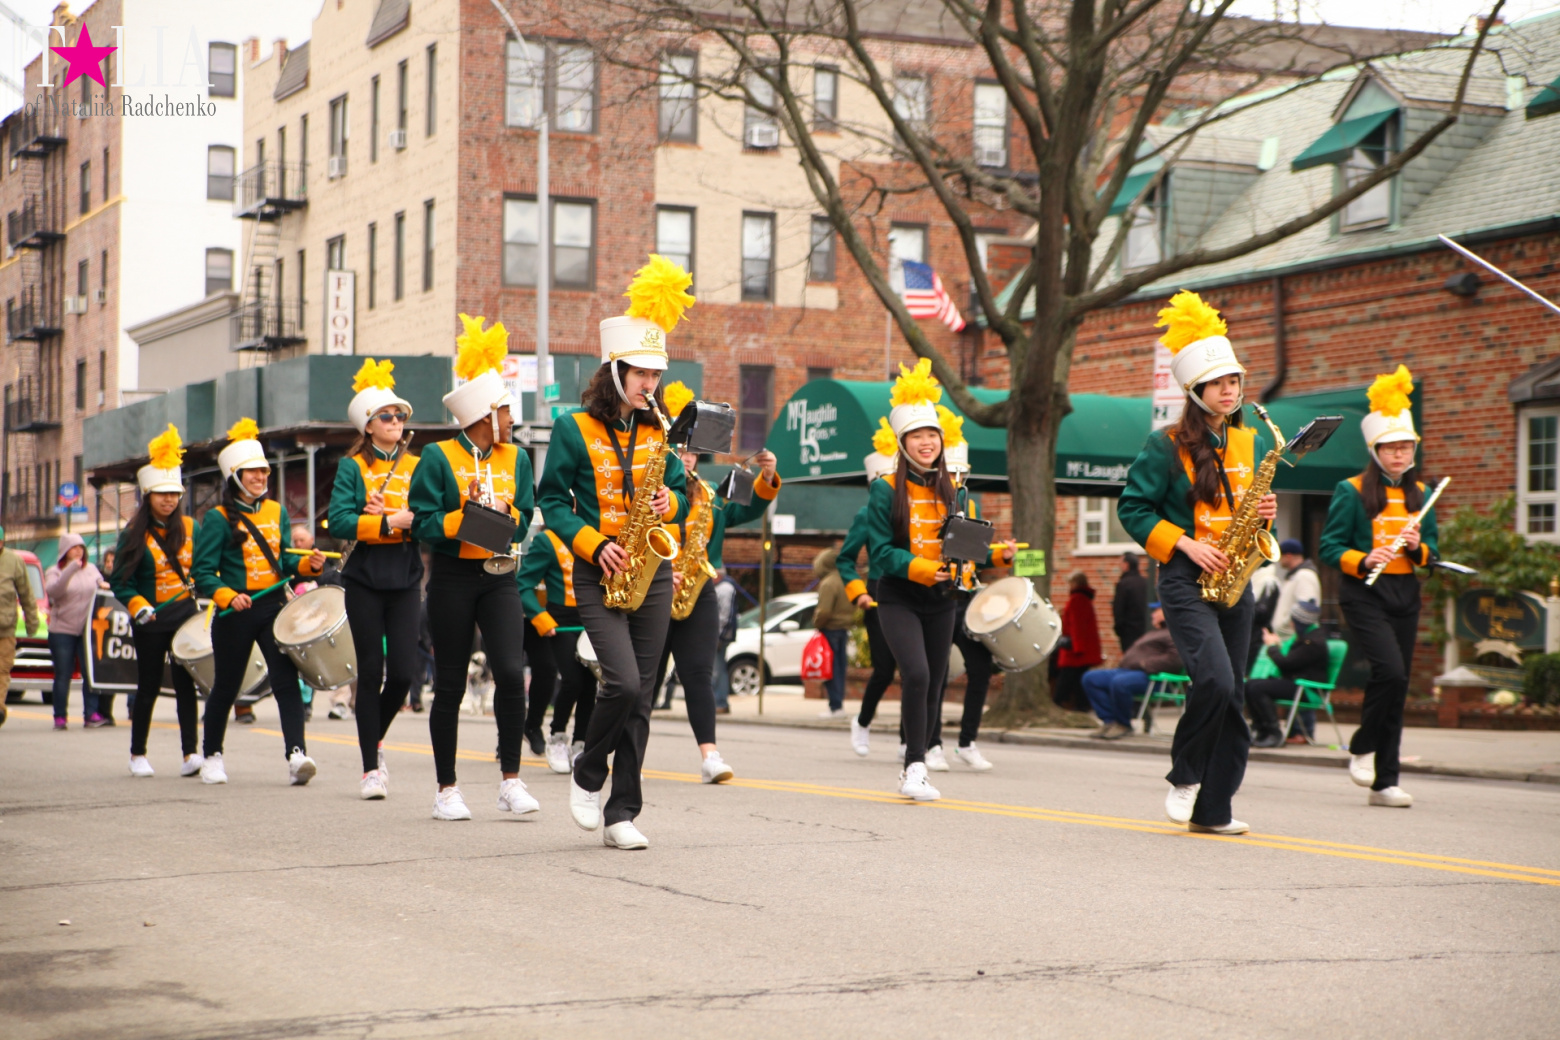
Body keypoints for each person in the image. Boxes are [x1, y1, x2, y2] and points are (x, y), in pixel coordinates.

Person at [540, 257, 692, 850]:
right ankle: (587, 771)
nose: (650, 385)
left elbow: (680, 491)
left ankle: (623, 811)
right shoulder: (572, 427)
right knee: (622, 684)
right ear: (615, 369)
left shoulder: (660, 430)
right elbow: (551, 502)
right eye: (640, 374)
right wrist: (595, 543)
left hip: (651, 570)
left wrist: (667, 501)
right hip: (598, 568)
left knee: (644, 696)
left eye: (656, 375)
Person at [1118, 291, 1277, 835]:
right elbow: (1132, 508)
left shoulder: (1249, 441)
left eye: (1235, 380)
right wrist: (1183, 544)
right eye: (1219, 384)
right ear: (1195, 391)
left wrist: (1264, 517)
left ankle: (1216, 810)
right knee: (1212, 679)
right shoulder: (1164, 445)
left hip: (1236, 577)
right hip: (1187, 577)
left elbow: (1241, 514)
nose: (1230, 390)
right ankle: (1185, 774)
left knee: (1233, 693)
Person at [407, 316, 538, 822]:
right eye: (505, 410)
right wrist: (468, 519)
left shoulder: (518, 457)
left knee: (510, 671)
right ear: (485, 414)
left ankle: (510, 779)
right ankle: (446, 790)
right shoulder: (438, 457)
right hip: (454, 578)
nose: (511, 419)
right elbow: (422, 522)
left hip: (501, 575)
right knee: (452, 683)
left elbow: (525, 517)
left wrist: (507, 520)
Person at [865, 360, 1014, 802]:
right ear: (902, 442)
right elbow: (879, 552)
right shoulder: (884, 489)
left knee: (933, 681)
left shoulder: (956, 490)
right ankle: (913, 767)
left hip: (942, 599)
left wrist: (995, 557)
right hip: (898, 596)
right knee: (915, 673)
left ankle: (920, 760)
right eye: (917, 435)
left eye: (932, 435)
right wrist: (921, 568)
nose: (927, 442)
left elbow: (963, 550)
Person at [1319, 365, 1436, 809]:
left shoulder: (1422, 494)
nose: (1400, 455)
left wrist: (1417, 546)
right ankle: (1362, 745)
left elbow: (1433, 556)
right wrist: (1364, 557)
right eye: (1392, 448)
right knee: (1389, 671)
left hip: (1405, 593)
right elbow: (1329, 547)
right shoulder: (1349, 491)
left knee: (1399, 685)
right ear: (1376, 450)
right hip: (1363, 592)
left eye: (1406, 447)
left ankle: (1385, 781)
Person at [192, 418, 326, 785]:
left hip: (272, 609)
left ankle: (296, 754)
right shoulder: (217, 519)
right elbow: (202, 573)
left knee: (286, 680)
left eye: (264, 470)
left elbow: (283, 561)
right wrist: (227, 596)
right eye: (252, 471)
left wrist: (306, 564)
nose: (260, 476)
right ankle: (212, 756)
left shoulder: (277, 512)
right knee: (227, 685)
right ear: (235, 475)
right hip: (234, 612)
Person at [651, 395, 778, 779]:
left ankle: (710, 756)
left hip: (697, 590)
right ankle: (626, 755)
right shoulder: (648, 489)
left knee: (698, 674)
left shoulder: (708, 494)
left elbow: (745, 509)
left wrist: (767, 477)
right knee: (645, 679)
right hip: (654, 588)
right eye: (679, 449)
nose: (686, 458)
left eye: (692, 452)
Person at [328, 358, 423, 801]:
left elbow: (430, 516)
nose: (397, 422)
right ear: (368, 426)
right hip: (365, 577)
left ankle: (374, 737)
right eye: (387, 416)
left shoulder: (419, 463)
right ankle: (370, 767)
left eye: (401, 415)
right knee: (370, 673)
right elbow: (338, 521)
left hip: (404, 576)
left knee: (403, 673)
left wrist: (410, 521)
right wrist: (385, 523)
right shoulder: (352, 468)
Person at [115, 425, 202, 777]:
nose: (169, 500)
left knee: (186, 686)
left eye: (174, 494)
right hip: (151, 619)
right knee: (148, 685)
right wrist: (138, 605)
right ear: (148, 495)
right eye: (161, 494)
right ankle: (138, 754)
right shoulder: (131, 535)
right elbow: (120, 581)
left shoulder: (193, 528)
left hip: (184, 615)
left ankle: (190, 754)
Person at [840, 427, 900, 758]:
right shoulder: (867, 514)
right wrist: (859, 593)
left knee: (915, 670)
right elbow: (845, 559)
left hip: (912, 588)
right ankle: (863, 721)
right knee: (884, 669)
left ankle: (910, 740)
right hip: (878, 592)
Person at [518, 527, 597, 774]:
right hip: (561, 621)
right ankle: (558, 736)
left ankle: (581, 742)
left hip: (593, 620)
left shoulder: (595, 535)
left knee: (590, 685)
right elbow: (524, 584)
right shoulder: (547, 540)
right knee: (572, 680)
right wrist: (541, 618)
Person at [1081, 603, 1179, 739]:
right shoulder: (1154, 633)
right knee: (1091, 678)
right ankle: (1109, 721)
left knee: (1120, 683)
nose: (1152, 614)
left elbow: (1176, 659)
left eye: (1156, 610)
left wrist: (1146, 664)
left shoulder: (1175, 634)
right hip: (1126, 671)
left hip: (1151, 677)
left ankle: (1123, 724)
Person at [1246, 599, 1330, 748]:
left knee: (1258, 688)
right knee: (1250, 685)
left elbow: (1286, 664)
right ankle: (1262, 730)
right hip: (1296, 683)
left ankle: (1274, 733)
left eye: (1293, 620)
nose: (1291, 623)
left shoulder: (1312, 642)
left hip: (1308, 689)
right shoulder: (1306, 638)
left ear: (1299, 622)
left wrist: (1272, 647)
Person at [45, 533, 108, 727]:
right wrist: (70, 569)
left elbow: (100, 585)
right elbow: (54, 591)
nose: (79, 550)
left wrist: (103, 585)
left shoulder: (91, 569)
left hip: (86, 631)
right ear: (65, 550)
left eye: (81, 547)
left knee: (90, 673)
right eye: (74, 547)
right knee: (64, 673)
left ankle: (90, 714)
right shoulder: (55, 571)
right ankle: (60, 715)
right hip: (62, 630)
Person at [1270, 539, 1323, 741]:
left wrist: (1289, 626)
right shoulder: (1295, 576)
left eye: (1281, 556)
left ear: (1289, 556)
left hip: (1295, 637)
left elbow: (1306, 607)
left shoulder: (1304, 576)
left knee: (1301, 678)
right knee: (1291, 679)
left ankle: (1302, 731)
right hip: (1288, 637)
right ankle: (1296, 731)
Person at [0, 525, 37, 727]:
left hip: (5, 629)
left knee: (2, 669)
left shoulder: (14, 561)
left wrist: (32, 623)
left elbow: (27, 594)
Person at [811, 546, 854, 719]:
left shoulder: (828, 583)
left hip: (830, 630)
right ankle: (838, 704)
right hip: (843, 629)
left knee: (830, 669)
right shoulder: (844, 580)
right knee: (839, 668)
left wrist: (816, 623)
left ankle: (835, 706)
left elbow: (824, 611)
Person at [1054, 572, 1103, 711]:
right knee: (1079, 680)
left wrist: (1077, 647)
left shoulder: (1076, 600)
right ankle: (1081, 706)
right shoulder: (1085, 599)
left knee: (1066, 679)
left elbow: (1077, 625)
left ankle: (1060, 704)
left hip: (1075, 650)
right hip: (1081, 648)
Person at [712, 569, 739, 713]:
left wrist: (718, 636)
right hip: (721, 635)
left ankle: (720, 703)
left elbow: (725, 615)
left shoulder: (725, 588)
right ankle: (719, 702)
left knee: (718, 670)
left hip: (720, 636)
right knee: (717, 669)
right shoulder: (724, 587)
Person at [1112, 552, 1148, 655]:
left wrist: (1119, 630)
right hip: (1145, 630)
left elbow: (1118, 609)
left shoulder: (1123, 584)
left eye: (1121, 563)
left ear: (1126, 564)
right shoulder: (1145, 582)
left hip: (1128, 633)